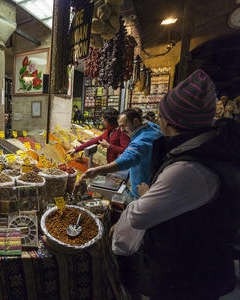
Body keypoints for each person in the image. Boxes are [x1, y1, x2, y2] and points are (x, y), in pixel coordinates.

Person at [111, 69, 240, 299]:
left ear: (169, 120)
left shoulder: (190, 167)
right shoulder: (205, 147)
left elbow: (140, 215)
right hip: (201, 266)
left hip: (187, 274)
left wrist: (147, 194)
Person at [75, 108, 163, 198]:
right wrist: (77, 149)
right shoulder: (151, 127)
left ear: (136, 121)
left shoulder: (141, 140)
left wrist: (97, 170)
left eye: (124, 126)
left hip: (145, 187)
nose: (122, 130)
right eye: (120, 126)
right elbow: (96, 140)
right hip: (149, 182)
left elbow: (127, 159)